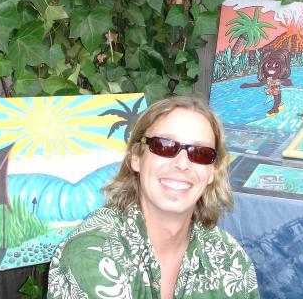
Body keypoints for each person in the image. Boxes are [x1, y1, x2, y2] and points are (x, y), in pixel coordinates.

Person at [47, 96, 259, 299]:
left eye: (200, 153)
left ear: (212, 171)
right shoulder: (92, 252)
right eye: (164, 146)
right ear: (136, 158)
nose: (182, 164)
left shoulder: (229, 258)